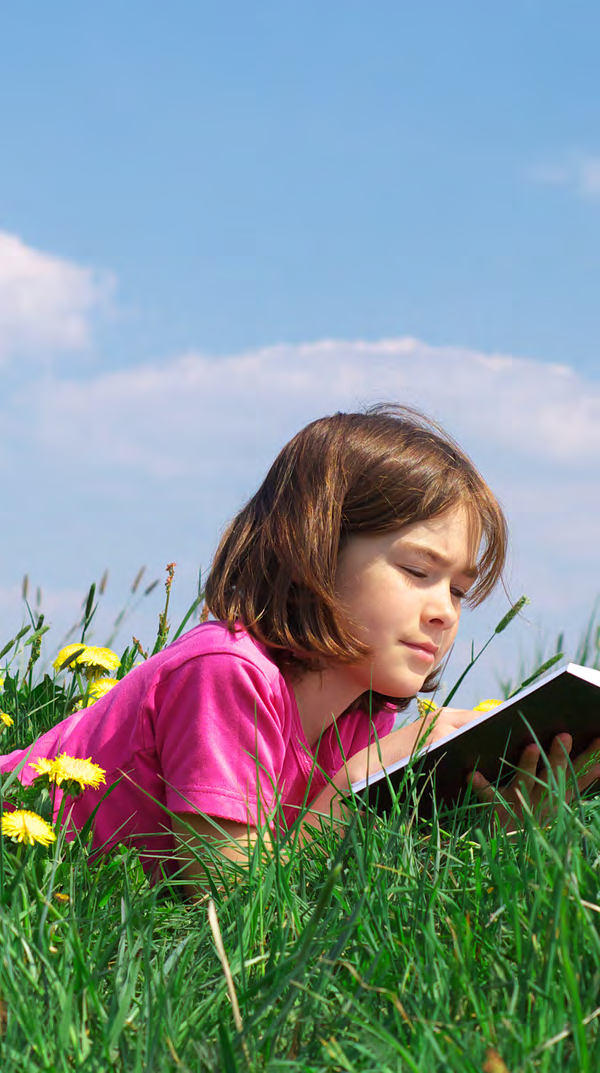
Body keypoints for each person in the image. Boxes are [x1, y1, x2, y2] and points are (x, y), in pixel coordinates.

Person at [1, 404, 598, 893]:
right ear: (310, 549)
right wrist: (356, 784)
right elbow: (232, 903)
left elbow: (323, 896)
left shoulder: (366, 712)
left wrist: (506, 835)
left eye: (461, 590)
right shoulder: (225, 673)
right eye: (418, 570)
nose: (445, 610)